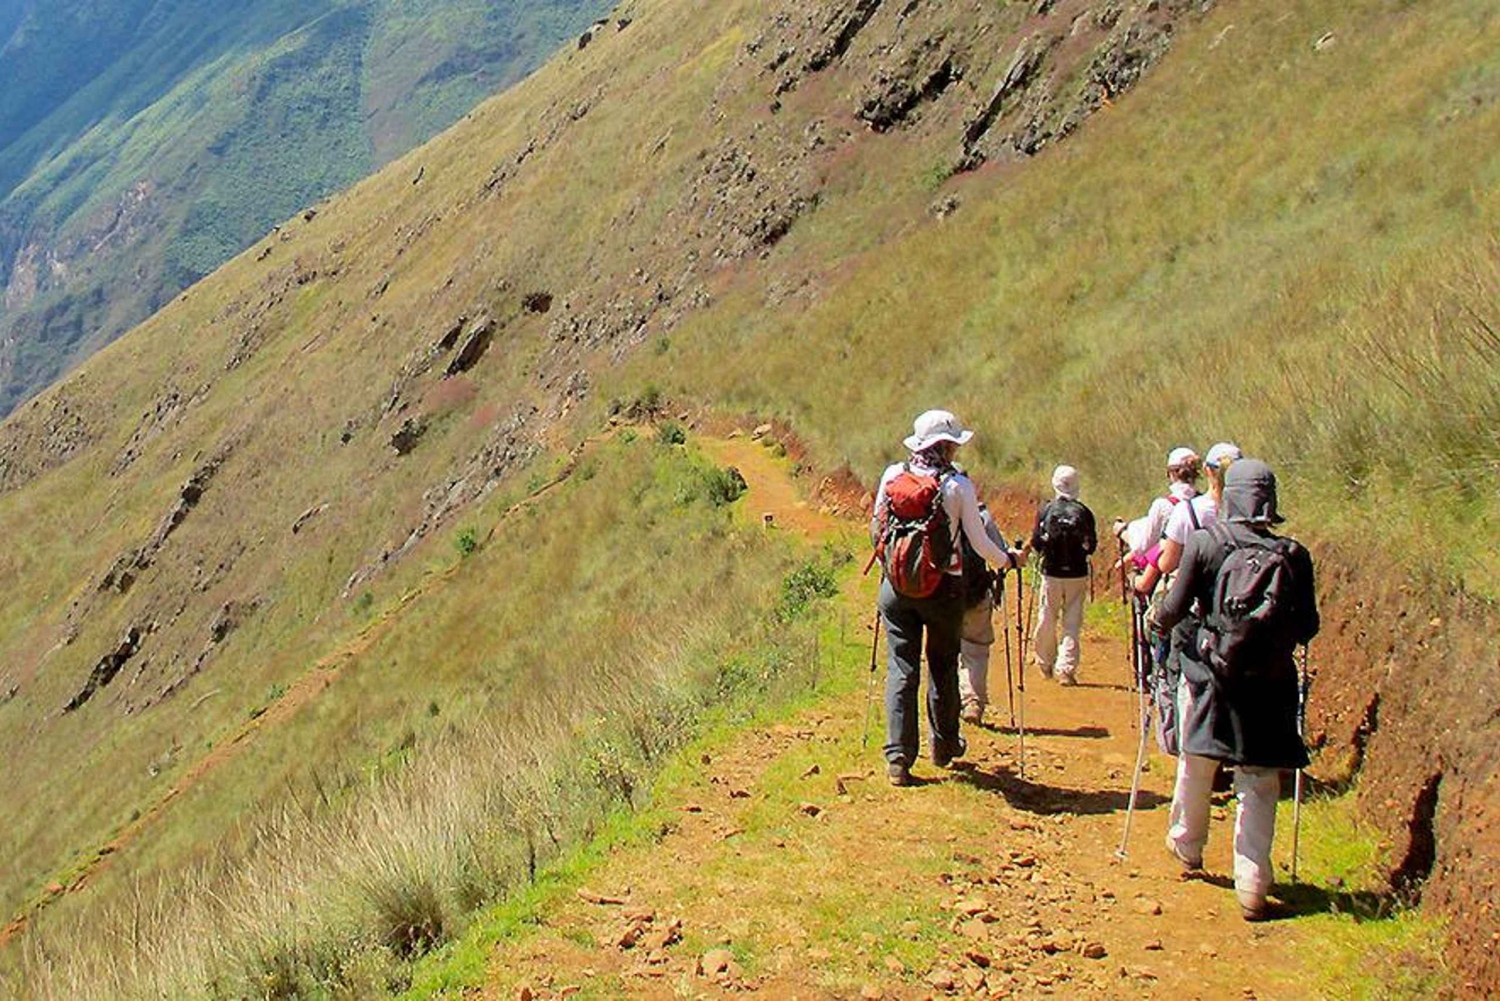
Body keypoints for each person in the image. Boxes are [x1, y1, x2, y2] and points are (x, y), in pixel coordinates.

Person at [1152, 459, 1319, 921]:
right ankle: (1253, 882)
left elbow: (1174, 605)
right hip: (1271, 682)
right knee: (1259, 780)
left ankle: (1187, 845)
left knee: (1197, 759)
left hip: (1211, 675)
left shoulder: (1207, 542)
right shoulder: (1293, 555)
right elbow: (1308, 626)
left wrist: (1158, 620)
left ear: (1230, 495)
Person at [871, 410, 1020, 786]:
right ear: (947, 446)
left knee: (902, 668)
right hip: (944, 588)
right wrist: (1008, 561)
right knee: (942, 665)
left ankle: (898, 758)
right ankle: (945, 744)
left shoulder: (892, 476)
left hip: (897, 587)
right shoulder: (956, 487)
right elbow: (979, 541)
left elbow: (876, 526)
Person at [1029, 465, 1096, 685]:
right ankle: (1066, 669)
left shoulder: (1046, 510)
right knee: (1072, 621)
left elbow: (1037, 542)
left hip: (1051, 572)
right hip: (1077, 573)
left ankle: (1045, 662)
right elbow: (1092, 546)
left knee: (1047, 617)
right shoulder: (1084, 512)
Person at [959, 502, 1014, 724]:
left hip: (941, 595)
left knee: (943, 648)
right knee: (976, 647)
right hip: (976, 592)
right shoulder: (981, 516)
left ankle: (949, 702)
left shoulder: (934, 511)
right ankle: (973, 701)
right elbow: (999, 555)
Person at [1115, 447, 1201, 570]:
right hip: (1201, 565)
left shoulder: (1162, 505)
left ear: (1171, 474)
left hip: (1174, 568)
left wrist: (1123, 533)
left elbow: (1143, 546)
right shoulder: (1205, 502)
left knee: (1139, 584)